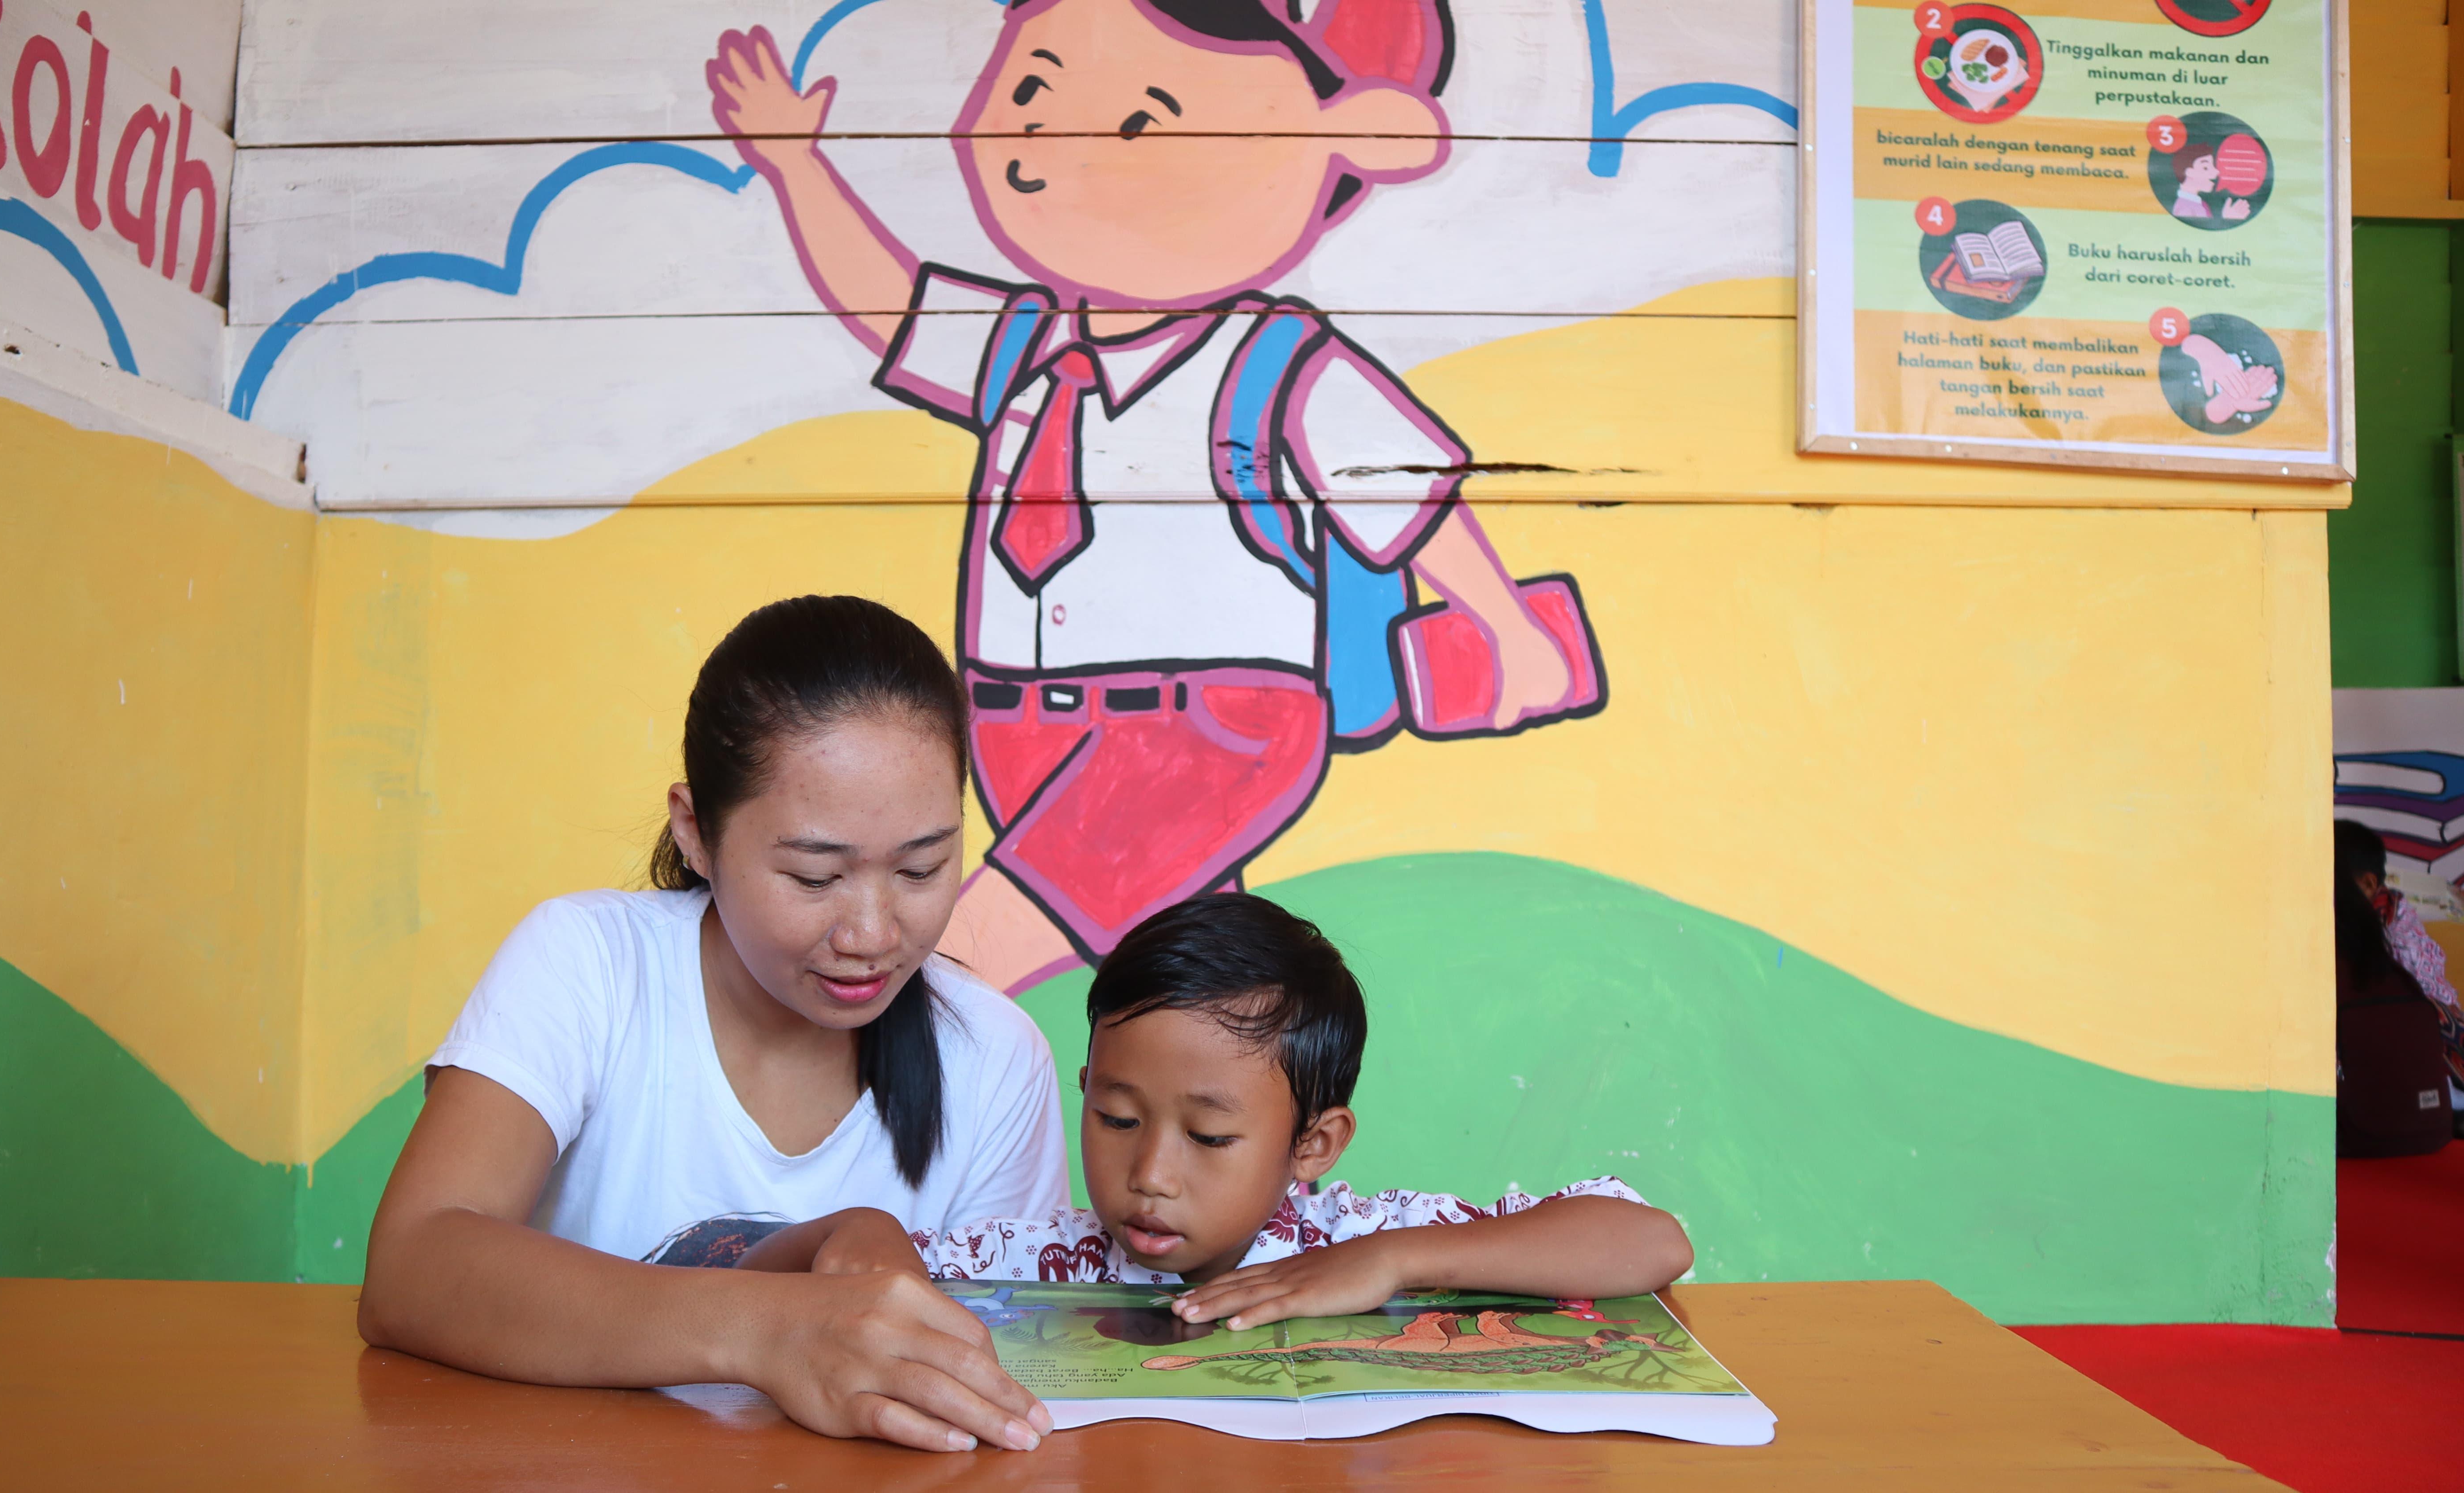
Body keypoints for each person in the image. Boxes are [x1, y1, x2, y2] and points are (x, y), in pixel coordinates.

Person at [708, 0, 1596, 994]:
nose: (1052, 138)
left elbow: (1410, 499)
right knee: (1193, 996)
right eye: (1034, 88)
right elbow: (892, 306)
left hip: (1211, 734)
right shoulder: (1025, 347)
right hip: (1016, 726)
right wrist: (798, 168)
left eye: (1143, 118)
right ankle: (1242, 1139)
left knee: (961, 962)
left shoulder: (1274, 363)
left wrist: (1507, 627)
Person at [359, 595, 1070, 1454]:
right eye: (815, 878)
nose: (874, 934)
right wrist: (773, 1327)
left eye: (922, 867)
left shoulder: (994, 1059)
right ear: (696, 832)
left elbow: (990, 1391)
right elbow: (413, 1269)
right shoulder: (591, 963)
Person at [742, 894, 1694, 1326]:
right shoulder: (1030, 1264)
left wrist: (1395, 1260)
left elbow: (1649, 1242)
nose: (1151, 1174)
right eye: (1118, 1117)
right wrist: (856, 1228)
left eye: (1209, 1135)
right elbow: (747, 1265)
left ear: (1313, 1143)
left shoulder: (1362, 1238)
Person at [2332, 821, 2453, 1157]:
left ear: (2370, 884)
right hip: (2395, 1103)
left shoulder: (2398, 921)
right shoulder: (2314, 921)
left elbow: (2440, 1006)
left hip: (2407, 1078)